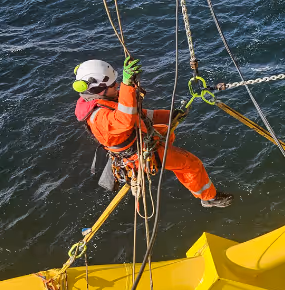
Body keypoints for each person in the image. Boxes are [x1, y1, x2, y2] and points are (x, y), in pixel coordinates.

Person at [72, 56, 233, 208]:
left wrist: (170, 116)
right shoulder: (99, 117)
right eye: (113, 85)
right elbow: (125, 120)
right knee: (192, 164)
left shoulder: (105, 100)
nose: (117, 86)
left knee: (166, 131)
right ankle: (209, 198)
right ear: (99, 89)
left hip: (139, 140)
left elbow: (142, 115)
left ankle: (170, 158)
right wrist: (128, 86)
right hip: (137, 155)